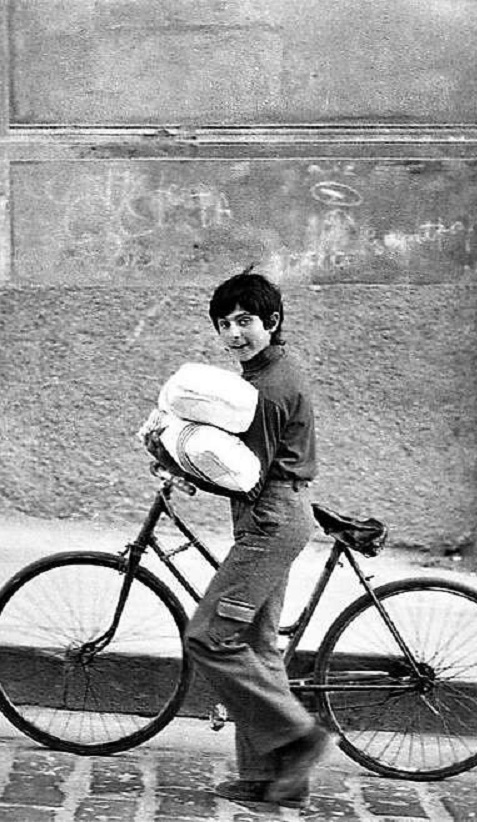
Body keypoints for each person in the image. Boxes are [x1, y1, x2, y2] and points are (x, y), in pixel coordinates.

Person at [183, 267, 333, 810]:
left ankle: (299, 738)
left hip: (270, 520)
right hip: (276, 515)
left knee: (208, 636)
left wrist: (180, 466)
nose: (233, 334)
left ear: (272, 321)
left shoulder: (267, 390)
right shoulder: (268, 372)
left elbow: (245, 473)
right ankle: (273, 780)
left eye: (244, 321)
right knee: (255, 644)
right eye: (224, 324)